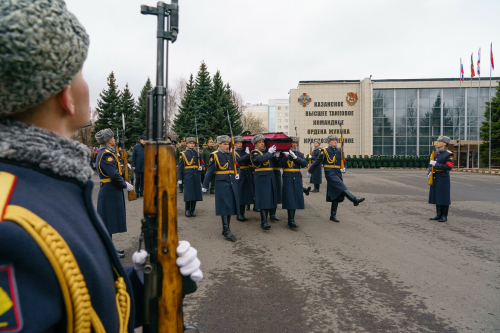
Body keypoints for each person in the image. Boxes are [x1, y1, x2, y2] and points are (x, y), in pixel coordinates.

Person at [0, 1, 202, 331]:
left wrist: (139, 284)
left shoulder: (52, 183)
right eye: (79, 71)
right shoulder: (12, 224)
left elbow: (81, 311)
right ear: (66, 95)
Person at [95, 128, 134, 258]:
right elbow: (113, 175)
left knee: (108, 222)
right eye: (112, 138)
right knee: (108, 222)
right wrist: (124, 184)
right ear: (108, 140)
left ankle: (109, 249)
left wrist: (122, 166)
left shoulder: (105, 153)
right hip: (110, 191)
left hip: (109, 190)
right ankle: (108, 252)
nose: (114, 140)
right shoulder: (106, 154)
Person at [308, 135, 365, 222]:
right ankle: (354, 199)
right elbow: (317, 161)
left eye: (336, 140)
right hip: (329, 172)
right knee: (340, 185)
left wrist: (344, 168)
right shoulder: (325, 150)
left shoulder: (339, 151)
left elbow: (344, 162)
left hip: (338, 173)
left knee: (336, 193)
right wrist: (310, 170)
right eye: (333, 140)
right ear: (329, 141)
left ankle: (333, 215)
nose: (335, 141)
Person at [202, 135, 240, 241]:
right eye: (224, 144)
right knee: (224, 206)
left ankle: (225, 229)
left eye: (228, 144)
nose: (227, 146)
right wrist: (205, 185)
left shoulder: (232, 154)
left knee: (230, 206)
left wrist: (238, 173)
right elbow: (210, 171)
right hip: (222, 183)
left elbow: (237, 166)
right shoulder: (215, 155)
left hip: (232, 182)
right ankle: (227, 230)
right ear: (219, 144)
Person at [250, 134, 279, 230]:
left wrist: (276, 157)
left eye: (263, 142)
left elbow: (273, 163)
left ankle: (271, 216)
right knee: (263, 199)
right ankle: (264, 222)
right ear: (255, 144)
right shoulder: (254, 152)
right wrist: (270, 153)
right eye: (260, 142)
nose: (262, 144)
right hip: (261, 178)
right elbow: (260, 160)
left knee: (270, 198)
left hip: (270, 177)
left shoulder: (267, 152)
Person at [278, 137, 308, 229]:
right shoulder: (283, 153)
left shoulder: (299, 154)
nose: (294, 145)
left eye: (296, 143)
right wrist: (286, 156)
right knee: (290, 198)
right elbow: (280, 165)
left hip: (297, 178)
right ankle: (291, 220)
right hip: (288, 177)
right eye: (293, 143)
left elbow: (304, 164)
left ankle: (291, 219)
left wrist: (296, 157)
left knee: (295, 198)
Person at [428, 136, 454, 222]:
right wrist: (429, 172)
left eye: (439, 141)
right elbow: (431, 164)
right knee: (437, 196)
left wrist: (436, 164)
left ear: (444, 143)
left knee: (444, 196)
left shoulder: (448, 154)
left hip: (443, 177)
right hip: (436, 176)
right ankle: (438, 214)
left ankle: (444, 216)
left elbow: (449, 166)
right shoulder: (435, 153)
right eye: (437, 141)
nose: (437, 143)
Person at [177, 137, 204, 217]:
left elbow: (202, 163)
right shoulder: (183, 154)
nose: (192, 145)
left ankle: (193, 209)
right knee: (189, 193)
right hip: (188, 175)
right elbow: (180, 167)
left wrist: (201, 167)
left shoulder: (198, 153)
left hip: (197, 175)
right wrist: (179, 178)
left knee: (195, 192)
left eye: (193, 143)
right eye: (190, 143)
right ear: (187, 144)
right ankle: (187, 210)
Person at [234, 136, 254, 222]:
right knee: (240, 194)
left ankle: (242, 213)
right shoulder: (234, 152)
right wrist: (247, 155)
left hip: (247, 173)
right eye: (238, 143)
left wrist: (249, 155)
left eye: (241, 143)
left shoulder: (244, 151)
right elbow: (239, 161)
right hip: (240, 173)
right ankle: (239, 214)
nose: (240, 144)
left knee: (245, 194)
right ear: (234, 144)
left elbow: (250, 162)